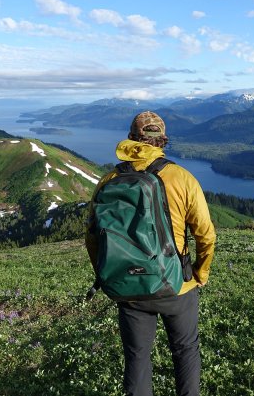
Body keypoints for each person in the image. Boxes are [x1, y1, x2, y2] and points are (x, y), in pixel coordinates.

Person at [85, 111, 216, 396]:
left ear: (132, 139)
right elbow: (205, 233)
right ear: (163, 141)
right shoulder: (182, 177)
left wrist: (108, 274)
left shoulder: (109, 181)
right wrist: (200, 273)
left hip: (129, 290)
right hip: (177, 285)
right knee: (185, 350)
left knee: (137, 358)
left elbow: (93, 238)